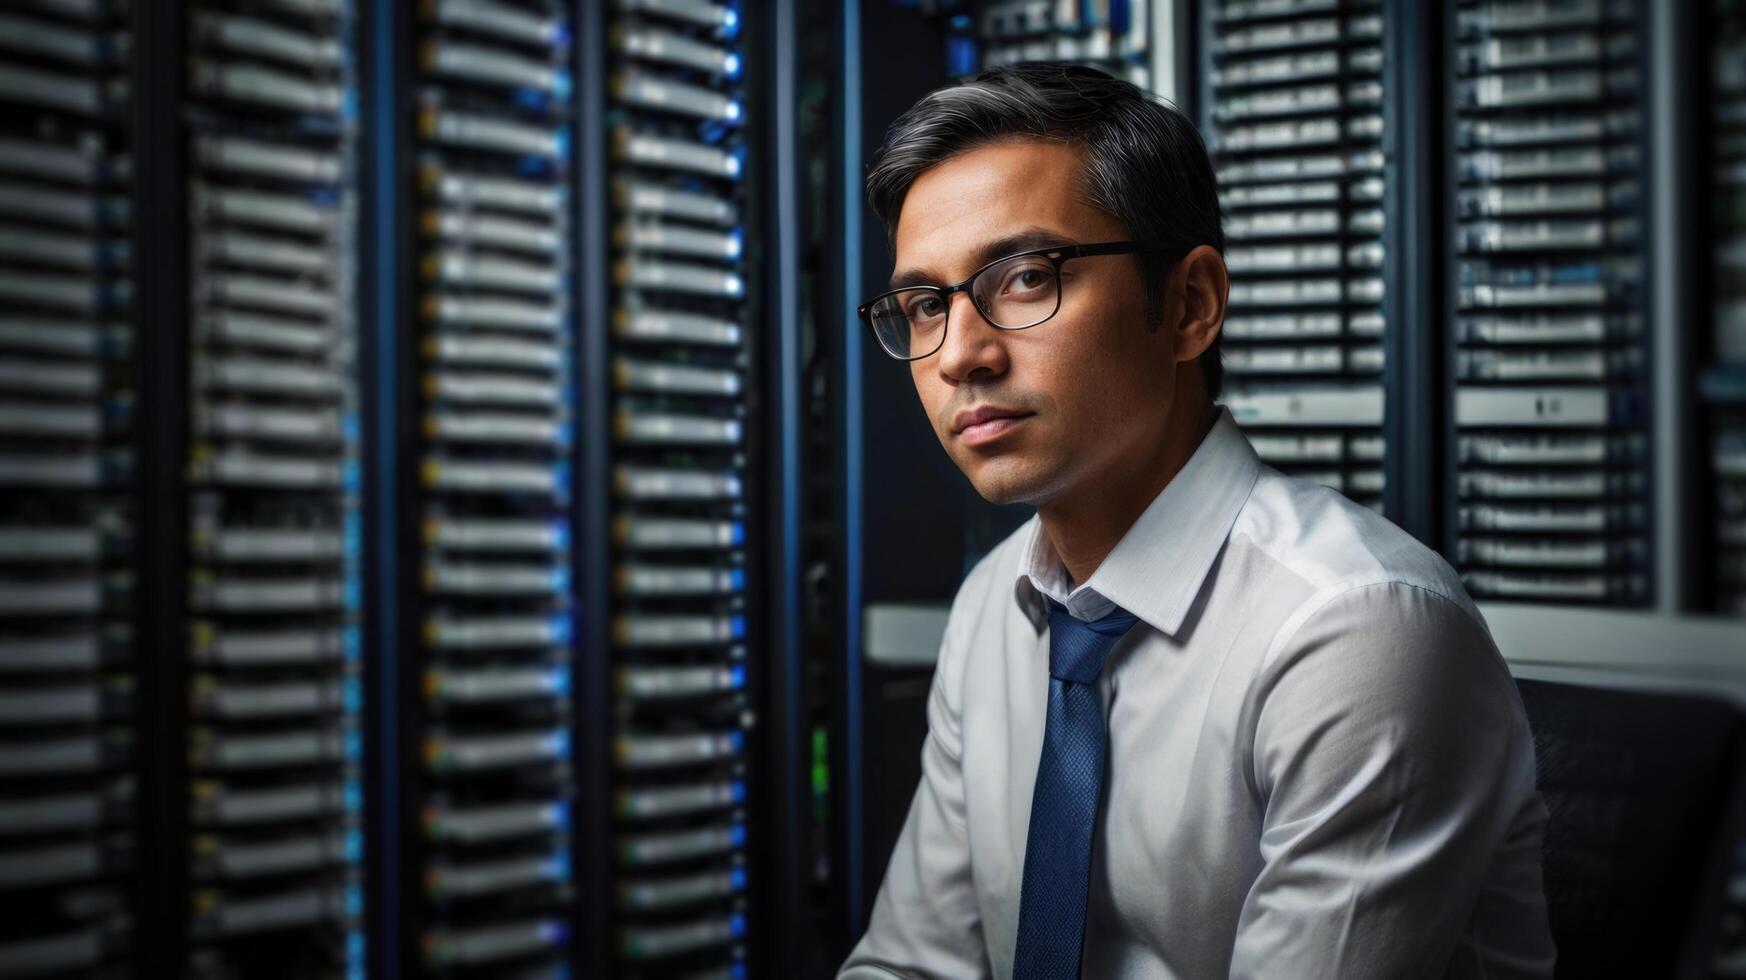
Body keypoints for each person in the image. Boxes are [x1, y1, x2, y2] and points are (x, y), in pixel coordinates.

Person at [837, 63, 1555, 979]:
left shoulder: (1353, 630)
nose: (961, 355)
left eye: (1022, 278)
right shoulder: (996, 604)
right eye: (927, 304)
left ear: (1189, 305)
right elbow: (912, 964)